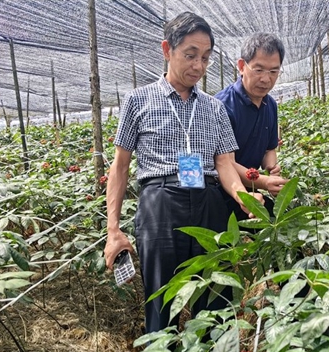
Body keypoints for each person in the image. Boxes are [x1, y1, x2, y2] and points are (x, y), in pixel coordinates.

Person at [103, 12, 263, 334]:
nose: (198, 66)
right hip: (160, 204)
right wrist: (113, 229)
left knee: (215, 301)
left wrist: (243, 195)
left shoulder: (214, 107)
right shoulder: (138, 100)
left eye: (205, 58)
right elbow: (120, 167)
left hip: (209, 202)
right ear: (167, 50)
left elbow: (224, 164)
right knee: (161, 303)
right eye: (190, 55)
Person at [215, 33, 289, 220]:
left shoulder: (270, 104)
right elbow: (226, 163)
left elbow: (269, 149)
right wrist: (265, 182)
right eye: (259, 70)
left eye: (273, 71)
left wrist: (272, 168)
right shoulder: (222, 105)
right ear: (242, 66)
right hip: (221, 191)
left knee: (279, 230)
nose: (266, 79)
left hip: (252, 188)